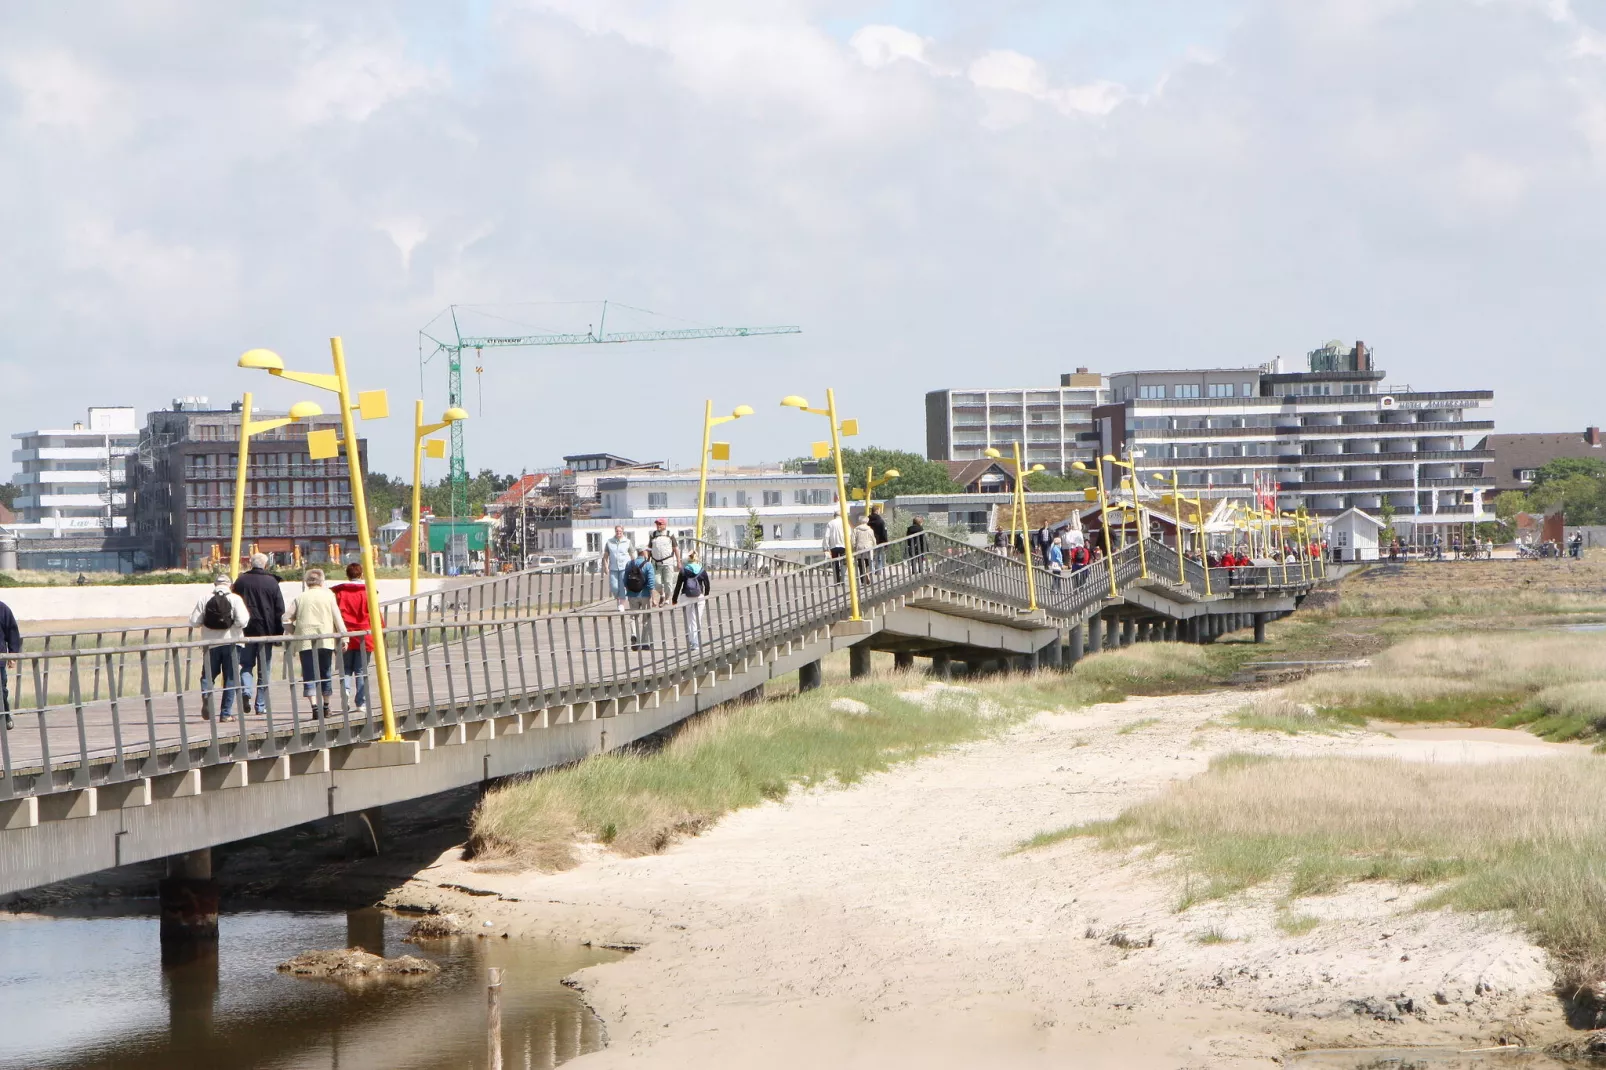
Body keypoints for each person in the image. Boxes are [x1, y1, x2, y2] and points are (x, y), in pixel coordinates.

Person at [189, 574, 249, 722]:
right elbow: (242, 621)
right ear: (230, 585)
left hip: (210, 644)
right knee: (230, 678)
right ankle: (226, 714)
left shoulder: (204, 599)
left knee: (208, 675)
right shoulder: (235, 599)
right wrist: (232, 624)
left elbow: (194, 622)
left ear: (214, 584)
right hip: (232, 643)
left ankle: (206, 695)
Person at [285, 568, 344, 718]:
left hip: (304, 640)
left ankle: (314, 707)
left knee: (309, 673)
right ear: (322, 581)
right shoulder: (329, 596)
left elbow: (285, 619)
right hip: (325, 639)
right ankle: (326, 705)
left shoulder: (300, 598)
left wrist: (295, 630)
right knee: (325, 671)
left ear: (306, 582)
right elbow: (337, 618)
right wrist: (345, 637)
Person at [233, 552, 285, 715]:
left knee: (246, 665)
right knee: (264, 669)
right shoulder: (272, 582)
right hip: (266, 630)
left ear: (250, 563)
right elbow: (279, 610)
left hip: (246, 630)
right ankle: (260, 705)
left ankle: (246, 691)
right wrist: (278, 634)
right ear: (266, 565)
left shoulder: (240, 580)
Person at [331, 562, 373, 715]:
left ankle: (346, 691)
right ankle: (361, 703)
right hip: (364, 634)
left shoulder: (340, 593)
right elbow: (375, 615)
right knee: (361, 670)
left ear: (347, 575)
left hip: (345, 635)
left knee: (346, 669)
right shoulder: (368, 592)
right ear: (361, 574)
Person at [672, 550, 712, 649]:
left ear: (688, 559)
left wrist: (674, 599)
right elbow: (707, 585)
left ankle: (692, 640)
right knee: (696, 619)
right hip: (699, 596)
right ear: (697, 559)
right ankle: (696, 642)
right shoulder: (702, 570)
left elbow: (678, 586)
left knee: (689, 619)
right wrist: (705, 596)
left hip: (686, 596)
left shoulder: (683, 570)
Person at [623, 548, 656, 650]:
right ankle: (645, 643)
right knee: (646, 619)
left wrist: (629, 591)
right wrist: (653, 598)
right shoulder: (648, 565)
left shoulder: (629, 564)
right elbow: (651, 583)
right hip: (645, 594)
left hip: (632, 595)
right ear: (644, 552)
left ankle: (634, 636)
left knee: (633, 617)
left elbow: (624, 580)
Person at [647, 518, 680, 607]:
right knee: (656, 582)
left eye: (660, 524)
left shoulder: (670, 534)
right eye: (657, 524)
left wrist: (678, 561)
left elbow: (675, 548)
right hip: (655, 563)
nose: (658, 525)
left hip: (668, 563)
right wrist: (647, 560)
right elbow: (649, 549)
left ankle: (667, 599)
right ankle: (662, 595)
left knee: (668, 583)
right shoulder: (653, 535)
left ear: (665, 525)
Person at [601, 525, 634, 611]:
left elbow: (632, 554)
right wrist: (605, 566)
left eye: (620, 531)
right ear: (615, 531)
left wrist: (634, 566)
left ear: (623, 531)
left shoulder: (627, 541)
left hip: (625, 567)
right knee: (614, 587)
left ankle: (622, 604)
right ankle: (618, 599)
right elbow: (605, 556)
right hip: (613, 568)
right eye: (617, 531)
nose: (618, 533)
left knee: (623, 586)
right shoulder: (609, 542)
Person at [0, 597, 18, 731]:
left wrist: (12, 654)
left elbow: (12, 631)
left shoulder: (2, 609)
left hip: (0, 658)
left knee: (1, 690)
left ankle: (5, 717)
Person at [851, 512, 877, 582]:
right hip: (868, 547)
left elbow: (853, 540)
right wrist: (874, 547)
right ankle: (867, 573)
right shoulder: (870, 530)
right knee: (868, 562)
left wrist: (854, 548)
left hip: (859, 547)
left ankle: (862, 579)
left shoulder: (856, 529)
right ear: (867, 521)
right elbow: (873, 539)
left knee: (860, 563)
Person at [823, 513, 847, 583]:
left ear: (834, 516)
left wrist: (825, 546)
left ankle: (836, 580)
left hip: (833, 546)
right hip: (843, 546)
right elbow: (849, 533)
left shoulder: (830, 523)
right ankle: (843, 579)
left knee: (835, 563)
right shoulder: (844, 522)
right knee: (843, 563)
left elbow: (826, 535)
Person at [867, 504, 889, 572]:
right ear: (876, 511)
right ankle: (878, 571)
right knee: (878, 556)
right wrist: (886, 543)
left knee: (870, 557)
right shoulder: (880, 521)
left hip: (869, 541)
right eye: (879, 511)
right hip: (879, 541)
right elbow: (884, 533)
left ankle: (871, 570)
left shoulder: (867, 520)